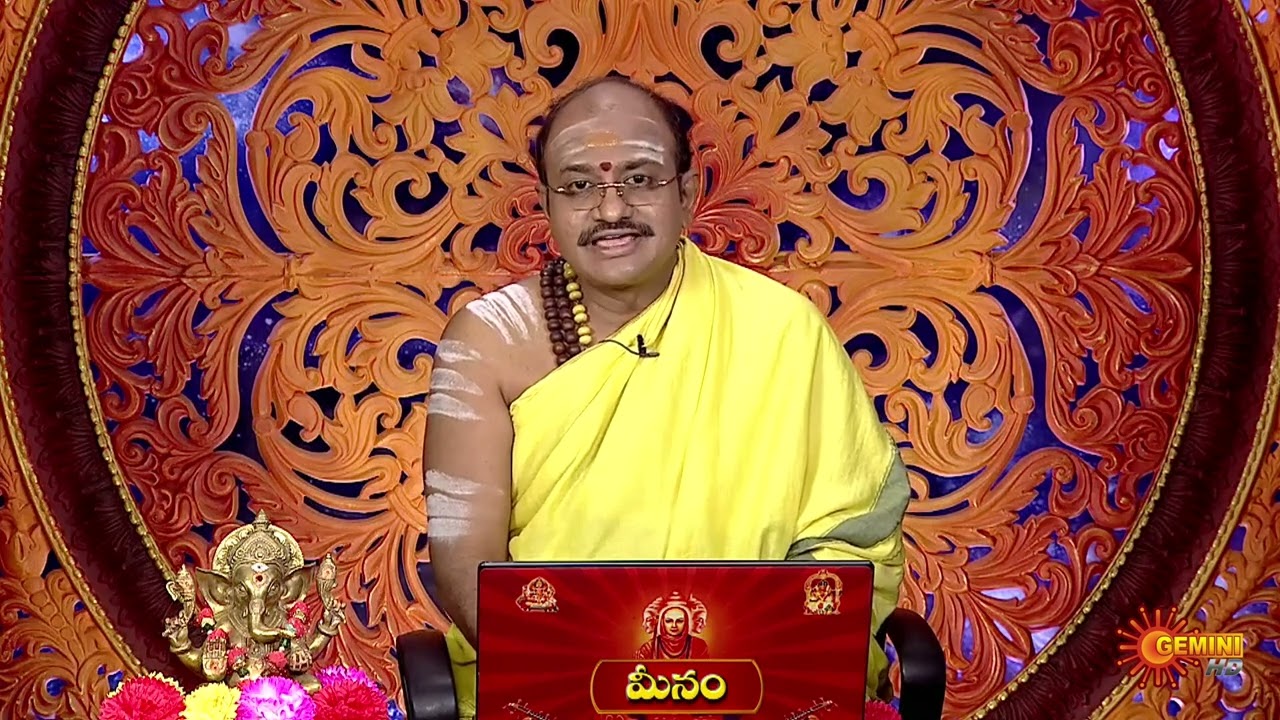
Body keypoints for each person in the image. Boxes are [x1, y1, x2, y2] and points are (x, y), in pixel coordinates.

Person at [422, 75, 910, 719]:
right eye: (578, 186)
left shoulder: (781, 328)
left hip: (753, 688)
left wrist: (744, 672)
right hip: (553, 688)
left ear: (686, 193)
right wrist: (585, 686)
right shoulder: (486, 341)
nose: (610, 210)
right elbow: (468, 564)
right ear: (545, 204)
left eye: (640, 178)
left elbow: (850, 539)